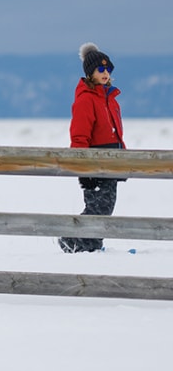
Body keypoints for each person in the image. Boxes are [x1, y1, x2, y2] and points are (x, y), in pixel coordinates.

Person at [59, 42, 125, 253]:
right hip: (94, 162)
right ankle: (73, 240)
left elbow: (115, 131)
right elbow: (79, 136)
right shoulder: (86, 100)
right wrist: (83, 167)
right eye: (101, 69)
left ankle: (92, 243)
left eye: (108, 69)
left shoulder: (110, 99)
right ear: (90, 73)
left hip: (111, 160)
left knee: (106, 206)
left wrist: (122, 156)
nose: (105, 73)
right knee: (97, 207)